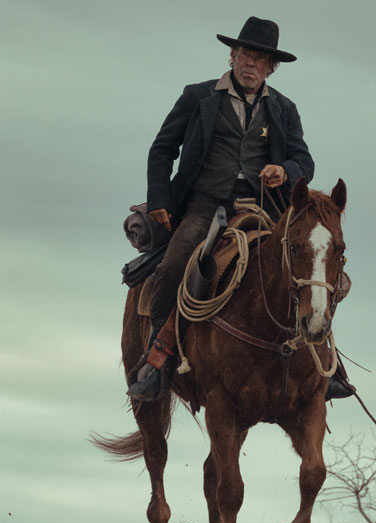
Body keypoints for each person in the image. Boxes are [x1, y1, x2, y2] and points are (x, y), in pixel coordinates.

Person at [128, 16, 353, 402]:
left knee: (312, 265)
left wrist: (285, 170)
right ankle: (158, 360)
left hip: (265, 208)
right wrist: (161, 200)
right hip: (203, 207)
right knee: (172, 268)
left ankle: (326, 362)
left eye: (260, 59)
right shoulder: (197, 97)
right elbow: (162, 149)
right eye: (245, 54)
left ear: (271, 67)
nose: (251, 64)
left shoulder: (284, 109)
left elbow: (304, 160)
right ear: (232, 56)